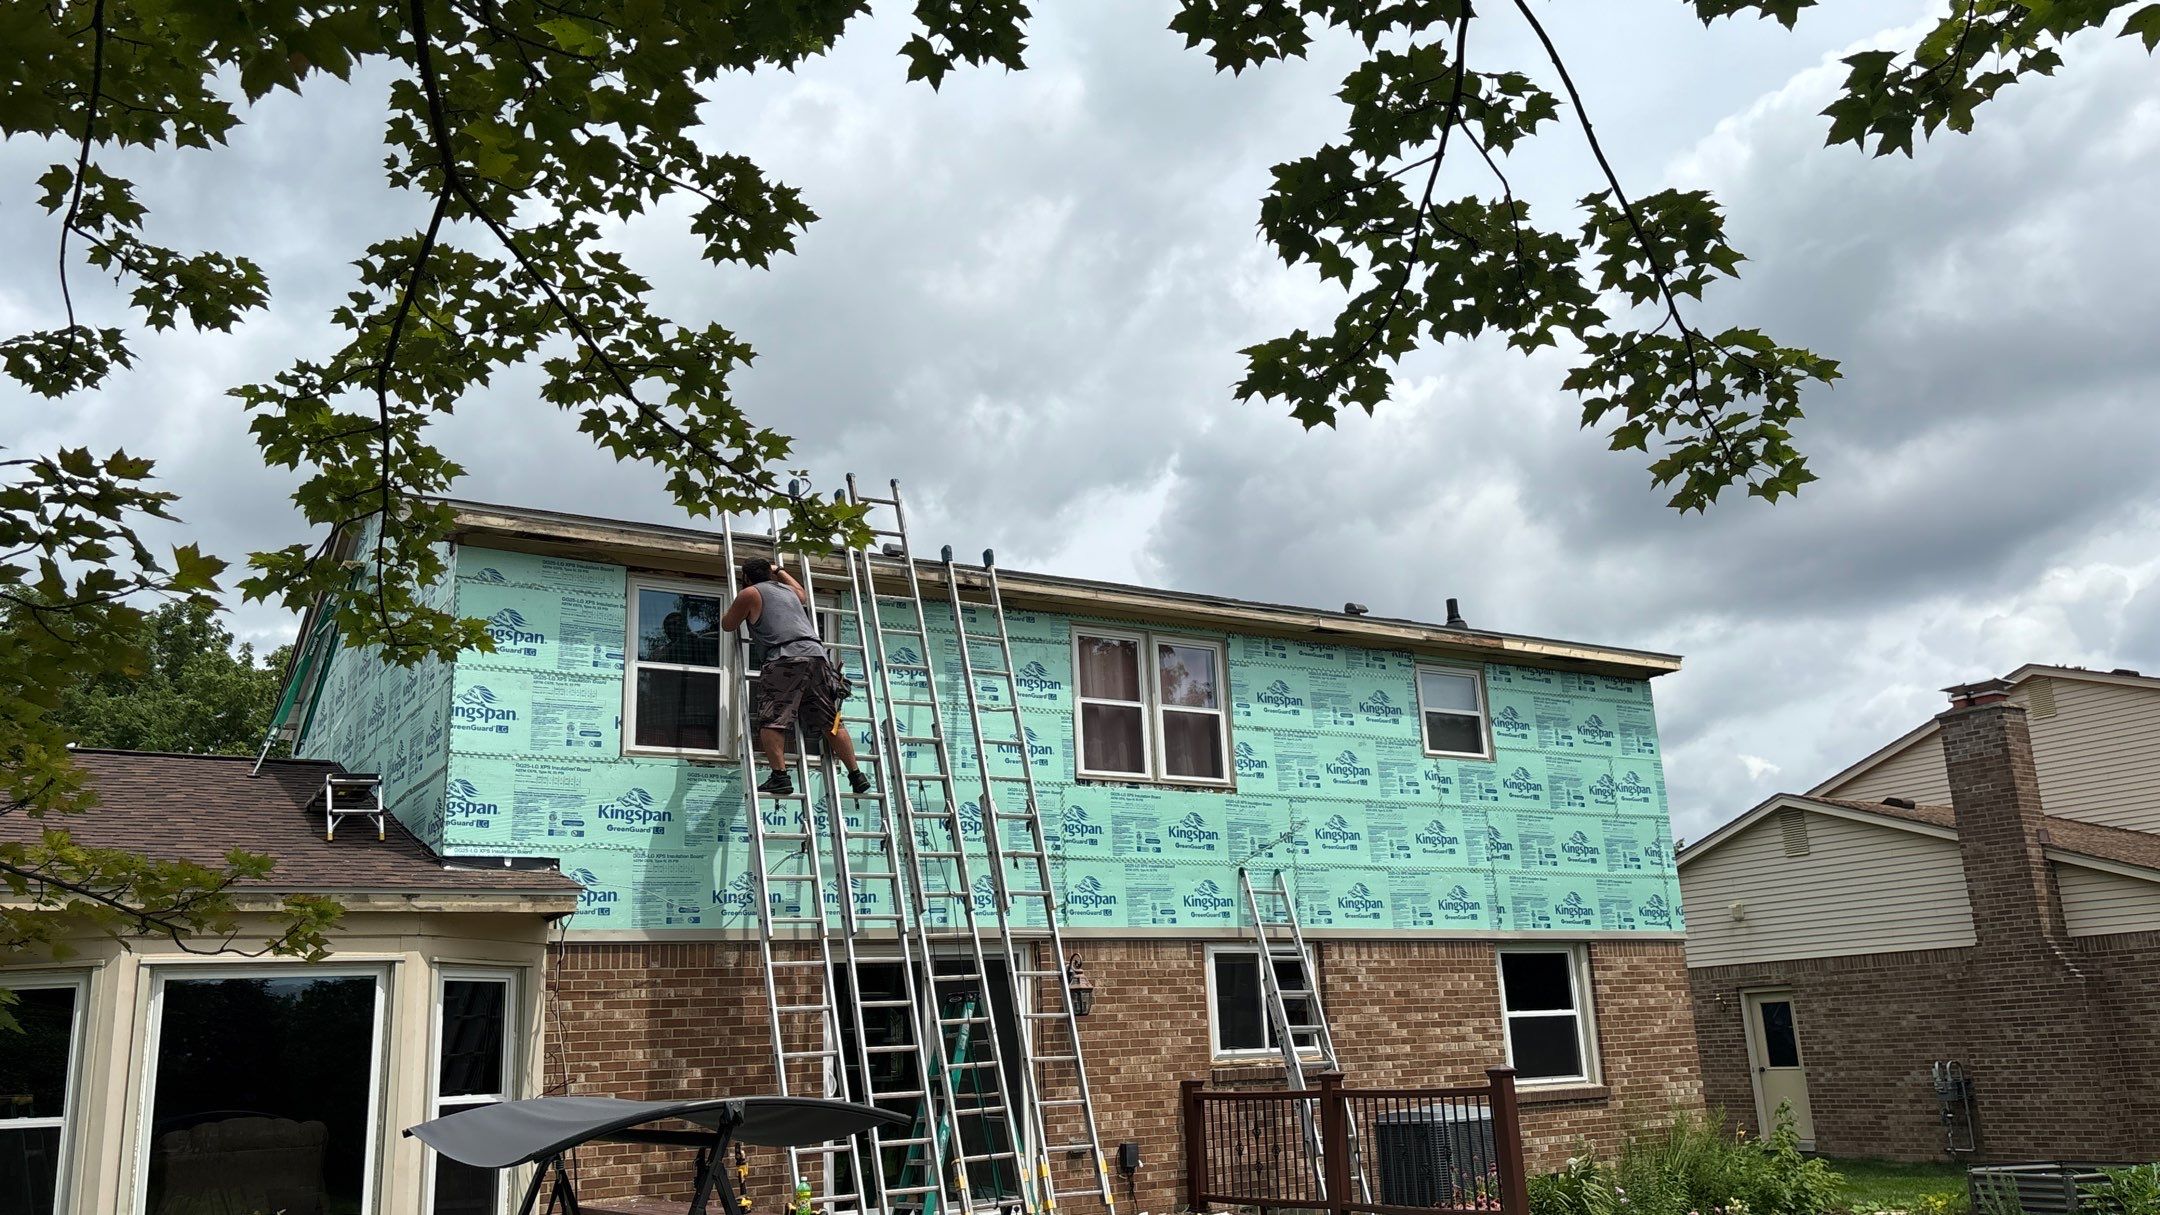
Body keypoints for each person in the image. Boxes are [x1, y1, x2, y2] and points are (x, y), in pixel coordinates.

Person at [721, 557, 875, 798]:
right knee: (830, 721)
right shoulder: (788, 591)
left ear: (747, 577)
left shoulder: (749, 592)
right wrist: (779, 570)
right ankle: (856, 774)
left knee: (771, 718)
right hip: (817, 657)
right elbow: (803, 593)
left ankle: (780, 777)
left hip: (785, 658)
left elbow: (728, 625)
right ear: (769, 574)